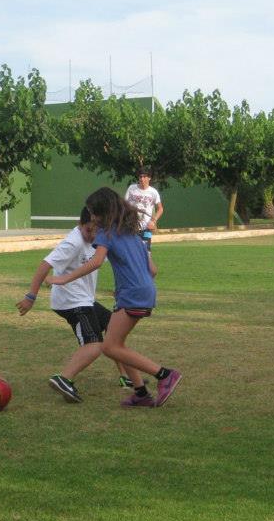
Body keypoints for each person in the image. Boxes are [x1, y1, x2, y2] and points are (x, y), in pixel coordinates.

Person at [46, 187, 182, 408]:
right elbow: (153, 270)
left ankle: (165, 375)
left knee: (109, 347)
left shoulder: (105, 233)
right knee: (117, 343)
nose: (91, 217)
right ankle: (141, 394)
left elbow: (96, 262)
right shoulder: (131, 232)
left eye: (93, 212)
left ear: (102, 212)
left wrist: (64, 278)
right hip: (145, 290)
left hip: (132, 294)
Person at [16, 207, 144, 403]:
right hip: (71, 301)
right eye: (88, 230)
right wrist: (31, 296)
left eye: (96, 230)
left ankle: (126, 377)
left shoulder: (100, 239)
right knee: (94, 344)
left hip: (85, 299)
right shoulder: (73, 242)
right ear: (80, 225)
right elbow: (45, 264)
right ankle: (64, 379)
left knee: (114, 332)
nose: (92, 235)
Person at [124, 166, 163, 251]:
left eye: (144, 177)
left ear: (149, 178)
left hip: (146, 227)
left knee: (146, 251)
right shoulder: (132, 188)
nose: (142, 179)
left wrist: (153, 221)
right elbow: (124, 205)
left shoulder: (153, 192)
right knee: (132, 251)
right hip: (132, 226)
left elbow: (160, 209)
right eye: (140, 177)